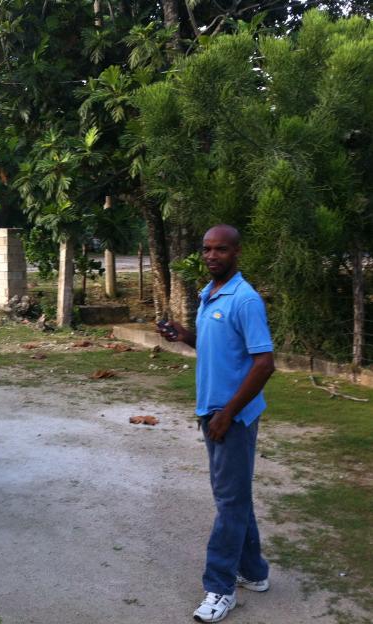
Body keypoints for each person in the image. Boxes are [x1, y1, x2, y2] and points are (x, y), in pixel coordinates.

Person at [158, 224, 275, 623]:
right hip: (213, 411)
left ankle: (220, 587)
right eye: (206, 249)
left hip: (232, 417)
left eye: (220, 249)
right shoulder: (209, 294)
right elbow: (218, 348)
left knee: (229, 502)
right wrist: (185, 335)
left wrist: (228, 414)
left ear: (236, 252)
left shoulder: (245, 299)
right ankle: (254, 572)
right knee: (235, 496)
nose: (211, 256)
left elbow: (264, 363)